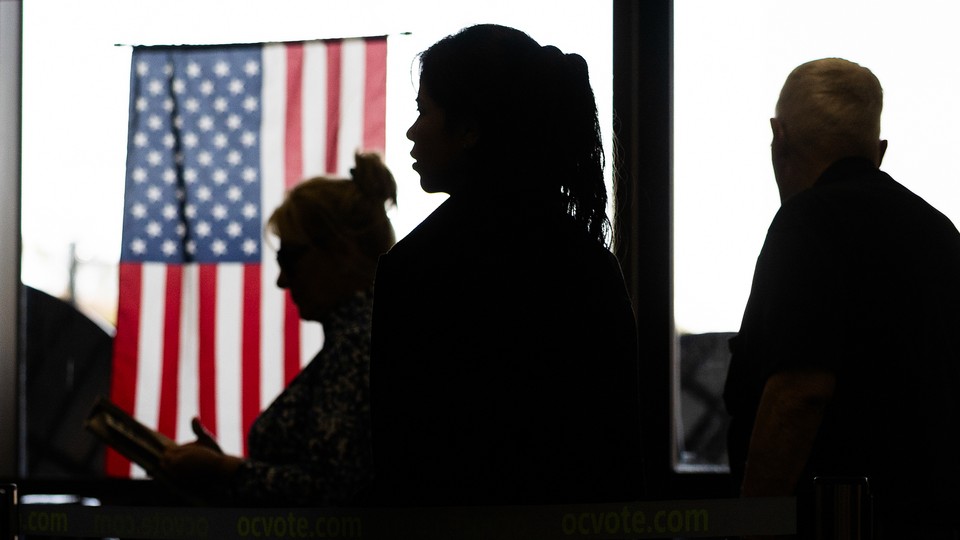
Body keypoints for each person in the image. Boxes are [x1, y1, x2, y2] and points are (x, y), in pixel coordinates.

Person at [368, 24, 643, 507]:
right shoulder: (589, 264)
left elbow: (400, 454)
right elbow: (616, 444)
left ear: (471, 129)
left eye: (423, 111)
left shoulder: (416, 270)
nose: (412, 131)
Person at [723, 58, 960, 538]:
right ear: (879, 151)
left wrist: (751, 525)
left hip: (832, 524)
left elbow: (798, 392)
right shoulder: (941, 233)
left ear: (779, 138)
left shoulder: (807, 222)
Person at [158, 153, 397, 507]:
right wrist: (227, 471)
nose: (282, 280)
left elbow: (334, 492)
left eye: (290, 258)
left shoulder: (357, 346)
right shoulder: (365, 339)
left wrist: (224, 471)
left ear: (341, 253)